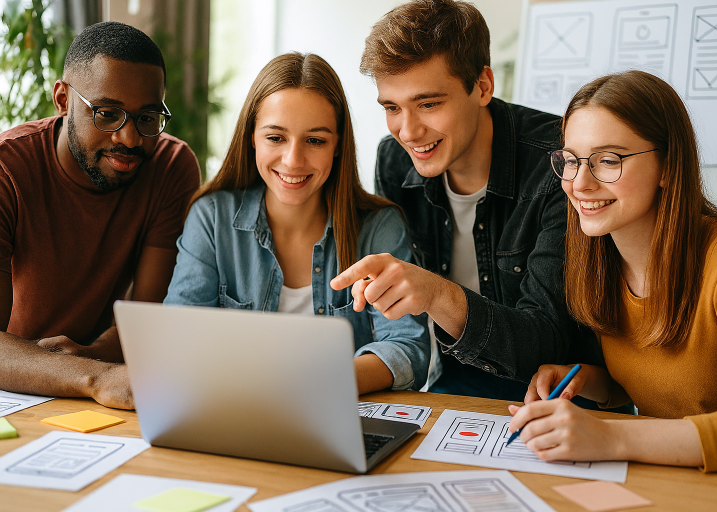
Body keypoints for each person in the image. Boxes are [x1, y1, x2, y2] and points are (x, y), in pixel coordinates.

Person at [509, 70, 717, 472]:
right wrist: (589, 381)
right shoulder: (598, 259)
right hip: (666, 478)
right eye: (572, 161)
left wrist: (609, 436)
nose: (580, 183)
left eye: (608, 160)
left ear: (667, 166)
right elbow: (663, 385)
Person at [331, 0, 586, 401]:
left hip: (561, 396)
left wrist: (435, 293)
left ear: (482, 86)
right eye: (392, 108)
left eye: (428, 104)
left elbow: (549, 343)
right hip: (454, 386)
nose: (409, 131)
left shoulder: (559, 162)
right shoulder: (395, 160)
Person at [164, 52, 430, 394]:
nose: (293, 160)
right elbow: (178, 339)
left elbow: (408, 349)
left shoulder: (379, 227)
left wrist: (316, 383)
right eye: (275, 138)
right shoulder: (212, 217)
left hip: (337, 416)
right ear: (252, 138)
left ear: (337, 145)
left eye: (315, 140)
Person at [0, 22, 201, 409]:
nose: (130, 139)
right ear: (62, 99)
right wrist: (98, 376)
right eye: (107, 113)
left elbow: (147, 318)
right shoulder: (8, 170)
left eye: (147, 117)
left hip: (106, 385)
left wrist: (93, 357)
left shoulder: (170, 165)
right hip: (16, 390)